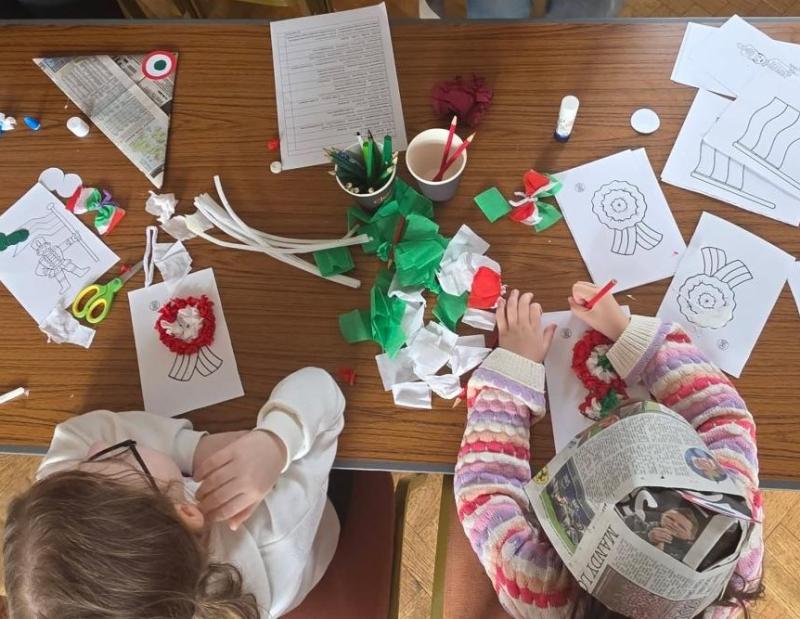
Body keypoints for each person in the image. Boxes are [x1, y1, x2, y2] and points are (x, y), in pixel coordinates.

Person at [454, 283, 763, 618]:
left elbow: (484, 492)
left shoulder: (543, 592)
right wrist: (632, 337)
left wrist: (514, 370)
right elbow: (723, 418)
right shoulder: (736, 554)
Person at [3, 367, 345, 618]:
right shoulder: (273, 529)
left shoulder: (55, 517)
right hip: (312, 536)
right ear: (187, 512)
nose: (95, 448)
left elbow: (79, 434)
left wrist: (192, 449)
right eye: (117, 457)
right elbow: (322, 392)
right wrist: (277, 441)